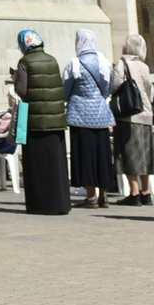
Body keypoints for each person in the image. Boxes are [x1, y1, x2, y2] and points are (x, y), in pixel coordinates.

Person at [14, 32, 71, 214]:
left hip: (36, 121)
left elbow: (22, 90)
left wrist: (16, 80)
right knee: (55, 164)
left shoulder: (25, 62)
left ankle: (41, 204)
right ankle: (60, 203)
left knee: (38, 164)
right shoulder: (52, 59)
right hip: (55, 119)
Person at [65, 30, 118, 209]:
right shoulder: (104, 62)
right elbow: (107, 88)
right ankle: (104, 195)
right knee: (102, 154)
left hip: (80, 114)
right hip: (101, 114)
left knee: (85, 154)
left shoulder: (74, 63)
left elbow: (66, 90)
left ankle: (91, 196)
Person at [113, 34, 154, 205]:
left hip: (129, 114)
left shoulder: (122, 64)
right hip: (146, 113)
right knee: (145, 154)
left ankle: (134, 192)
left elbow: (114, 86)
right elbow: (149, 90)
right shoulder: (144, 66)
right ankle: (146, 191)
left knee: (129, 153)